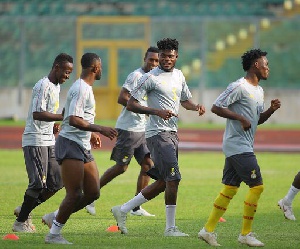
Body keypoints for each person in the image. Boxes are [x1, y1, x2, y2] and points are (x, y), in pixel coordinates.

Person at [111, 38, 205, 237]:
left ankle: (123, 209)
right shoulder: (149, 78)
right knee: (174, 178)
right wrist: (156, 111)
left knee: (164, 181)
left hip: (172, 133)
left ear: (176, 57)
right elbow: (131, 104)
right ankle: (170, 228)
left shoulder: (179, 75)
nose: (166, 59)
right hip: (157, 134)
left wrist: (196, 106)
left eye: (170, 56)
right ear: (159, 56)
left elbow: (185, 100)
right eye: (163, 56)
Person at [198, 49, 281, 247]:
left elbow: (256, 120)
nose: (268, 68)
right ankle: (245, 234)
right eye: (265, 64)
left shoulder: (259, 91)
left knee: (230, 188)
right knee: (257, 186)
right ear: (256, 66)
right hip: (237, 145)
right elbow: (216, 106)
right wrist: (240, 117)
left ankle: (207, 230)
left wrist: (270, 110)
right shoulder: (239, 86)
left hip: (241, 146)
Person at [43, 52, 118, 244]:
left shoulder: (85, 88)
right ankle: (53, 234)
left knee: (93, 192)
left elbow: (73, 114)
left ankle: (55, 216)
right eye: (100, 67)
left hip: (81, 145)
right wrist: (99, 128)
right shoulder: (81, 88)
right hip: (70, 144)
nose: (102, 70)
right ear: (95, 68)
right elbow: (73, 119)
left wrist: (91, 133)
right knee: (74, 193)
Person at [85, 47, 159, 217]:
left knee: (148, 165)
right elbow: (122, 98)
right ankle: (90, 196)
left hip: (143, 129)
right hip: (129, 129)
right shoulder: (136, 76)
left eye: (156, 60)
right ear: (144, 59)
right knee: (121, 167)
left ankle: (136, 207)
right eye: (151, 60)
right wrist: (144, 109)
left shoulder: (154, 78)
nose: (154, 63)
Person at [12, 53, 74, 233]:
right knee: (38, 184)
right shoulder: (43, 86)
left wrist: (54, 124)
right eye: (66, 71)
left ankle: (25, 209)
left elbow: (45, 114)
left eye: (70, 73)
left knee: (57, 181)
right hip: (35, 140)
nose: (67, 76)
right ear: (56, 67)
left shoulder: (56, 87)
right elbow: (37, 114)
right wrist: (62, 117)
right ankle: (20, 222)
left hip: (49, 140)